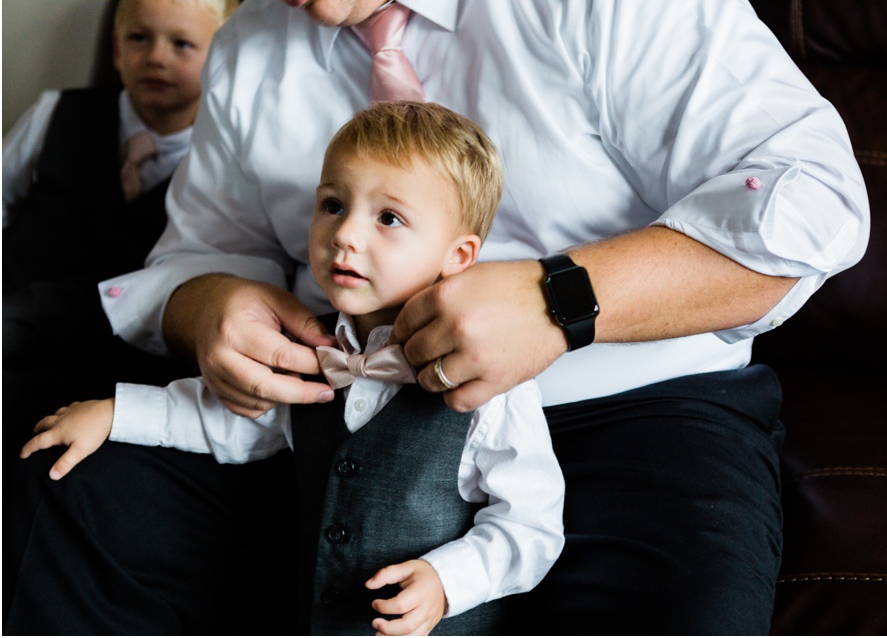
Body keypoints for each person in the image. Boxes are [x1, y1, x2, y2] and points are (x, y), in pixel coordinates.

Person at [8, 0, 871, 635]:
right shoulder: (252, 42)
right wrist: (210, 307)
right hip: (344, 408)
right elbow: (198, 253)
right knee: (82, 495)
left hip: (635, 411)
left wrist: (560, 299)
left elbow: (815, 200)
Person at [20, 101, 566, 636]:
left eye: (389, 218)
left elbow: (532, 524)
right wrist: (115, 414)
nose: (346, 234)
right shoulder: (311, 349)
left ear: (459, 256)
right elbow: (226, 421)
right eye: (333, 205)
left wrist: (448, 580)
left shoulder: (491, 382)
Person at [2, 0, 238, 454]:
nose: (156, 57)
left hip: (100, 352)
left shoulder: (222, 160)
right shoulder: (60, 112)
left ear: (221, 60)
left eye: (183, 44)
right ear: (115, 50)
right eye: (138, 39)